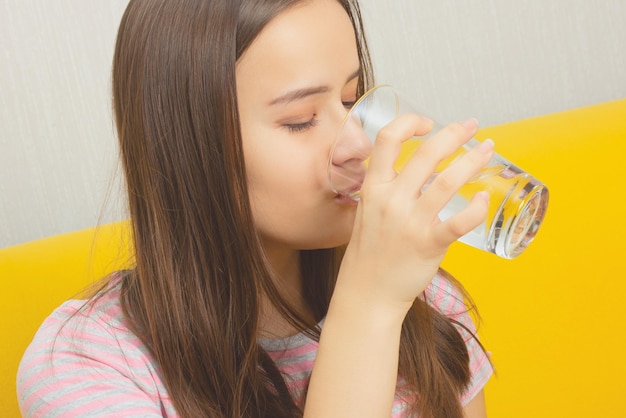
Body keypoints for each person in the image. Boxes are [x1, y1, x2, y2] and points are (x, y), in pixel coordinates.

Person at [17, 0, 494, 416]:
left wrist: (384, 298)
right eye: (300, 120)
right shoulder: (89, 367)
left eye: (352, 99)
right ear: (190, 148)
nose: (358, 143)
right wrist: (370, 305)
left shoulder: (421, 297)